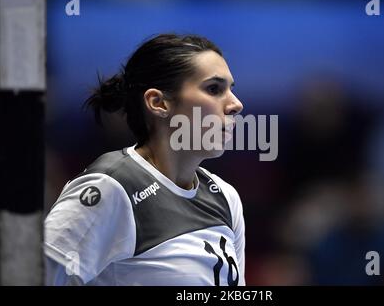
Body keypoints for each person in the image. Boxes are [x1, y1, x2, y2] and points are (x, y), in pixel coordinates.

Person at [44, 33, 245, 286]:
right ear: (157, 102)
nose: (236, 104)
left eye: (230, 89)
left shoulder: (225, 197)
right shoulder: (113, 187)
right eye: (214, 89)